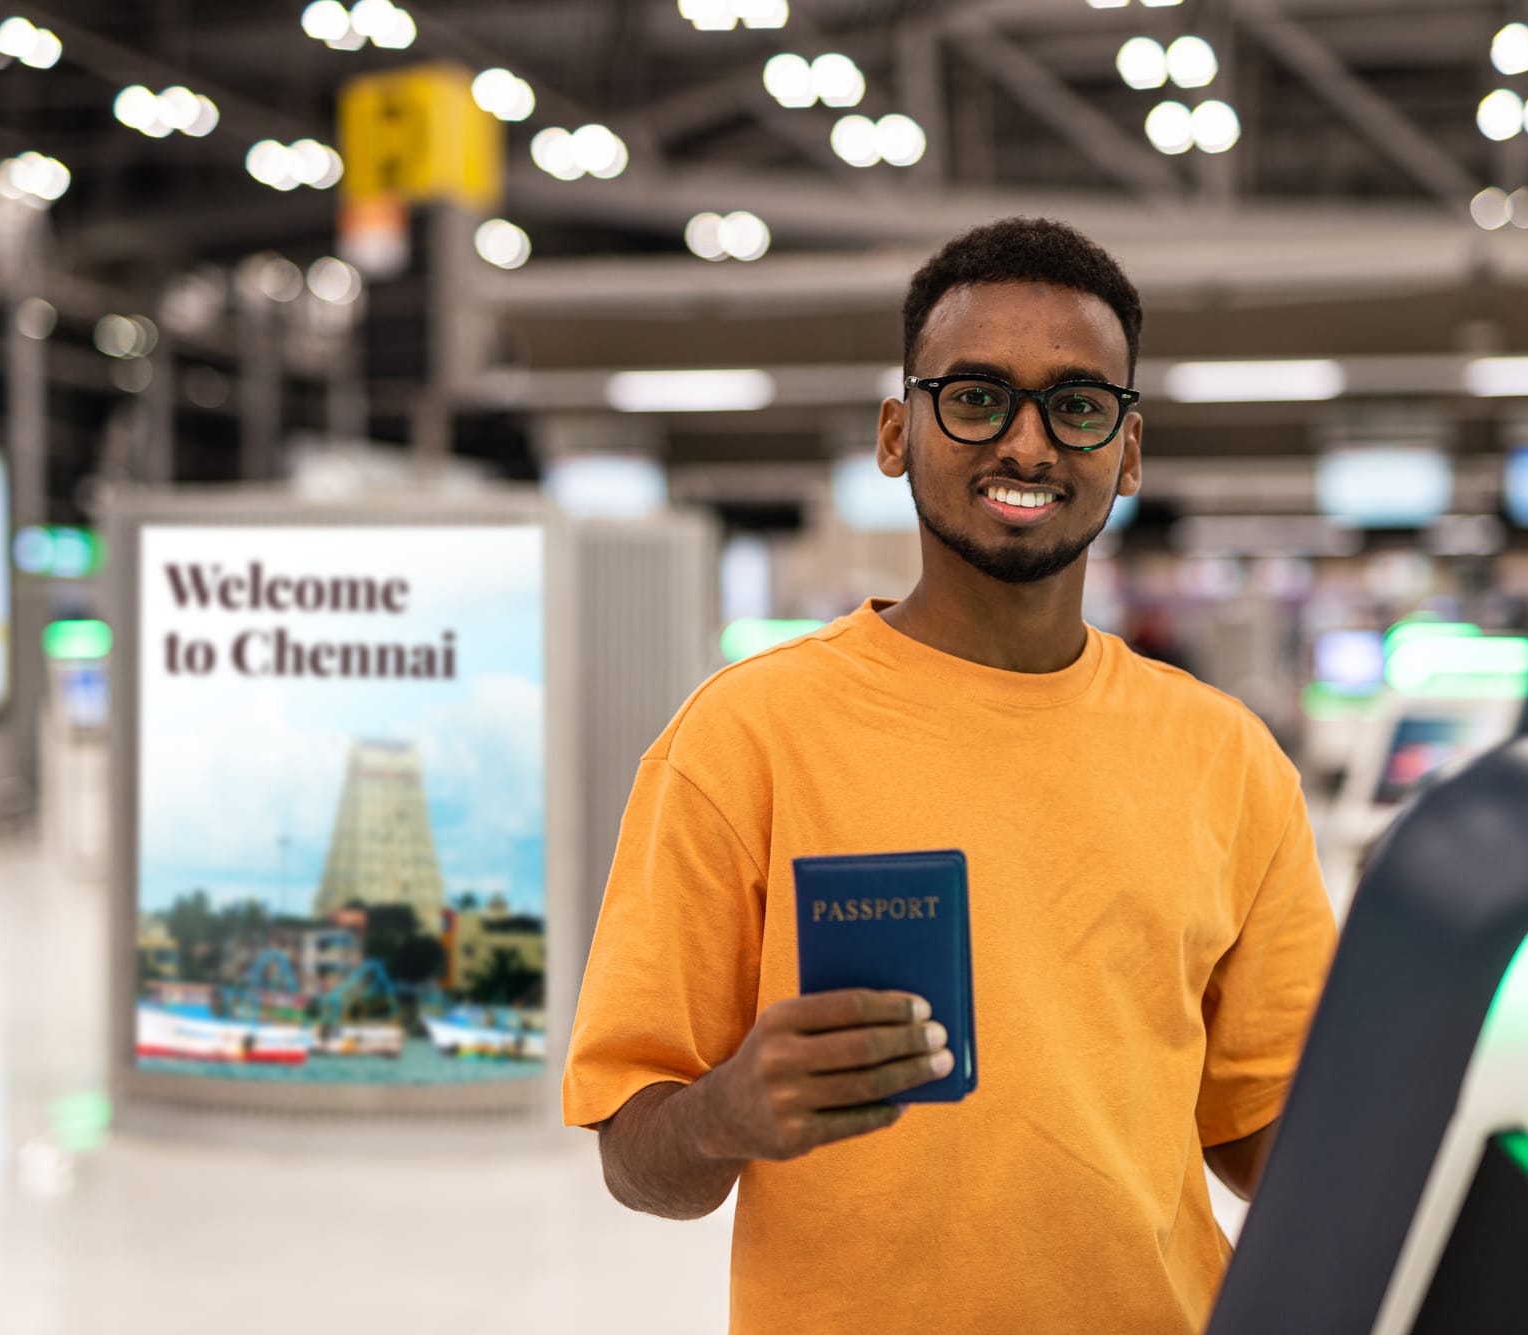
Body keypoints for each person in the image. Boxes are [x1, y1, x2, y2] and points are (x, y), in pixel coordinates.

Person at [562, 217, 1339, 1334]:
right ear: (896, 432)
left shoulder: (1225, 760)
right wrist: (725, 1113)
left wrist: (1429, 1099)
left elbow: (1260, 1138)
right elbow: (639, 1164)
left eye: (1075, 407)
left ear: (1125, 452)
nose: (1025, 446)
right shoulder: (743, 738)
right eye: (975, 396)